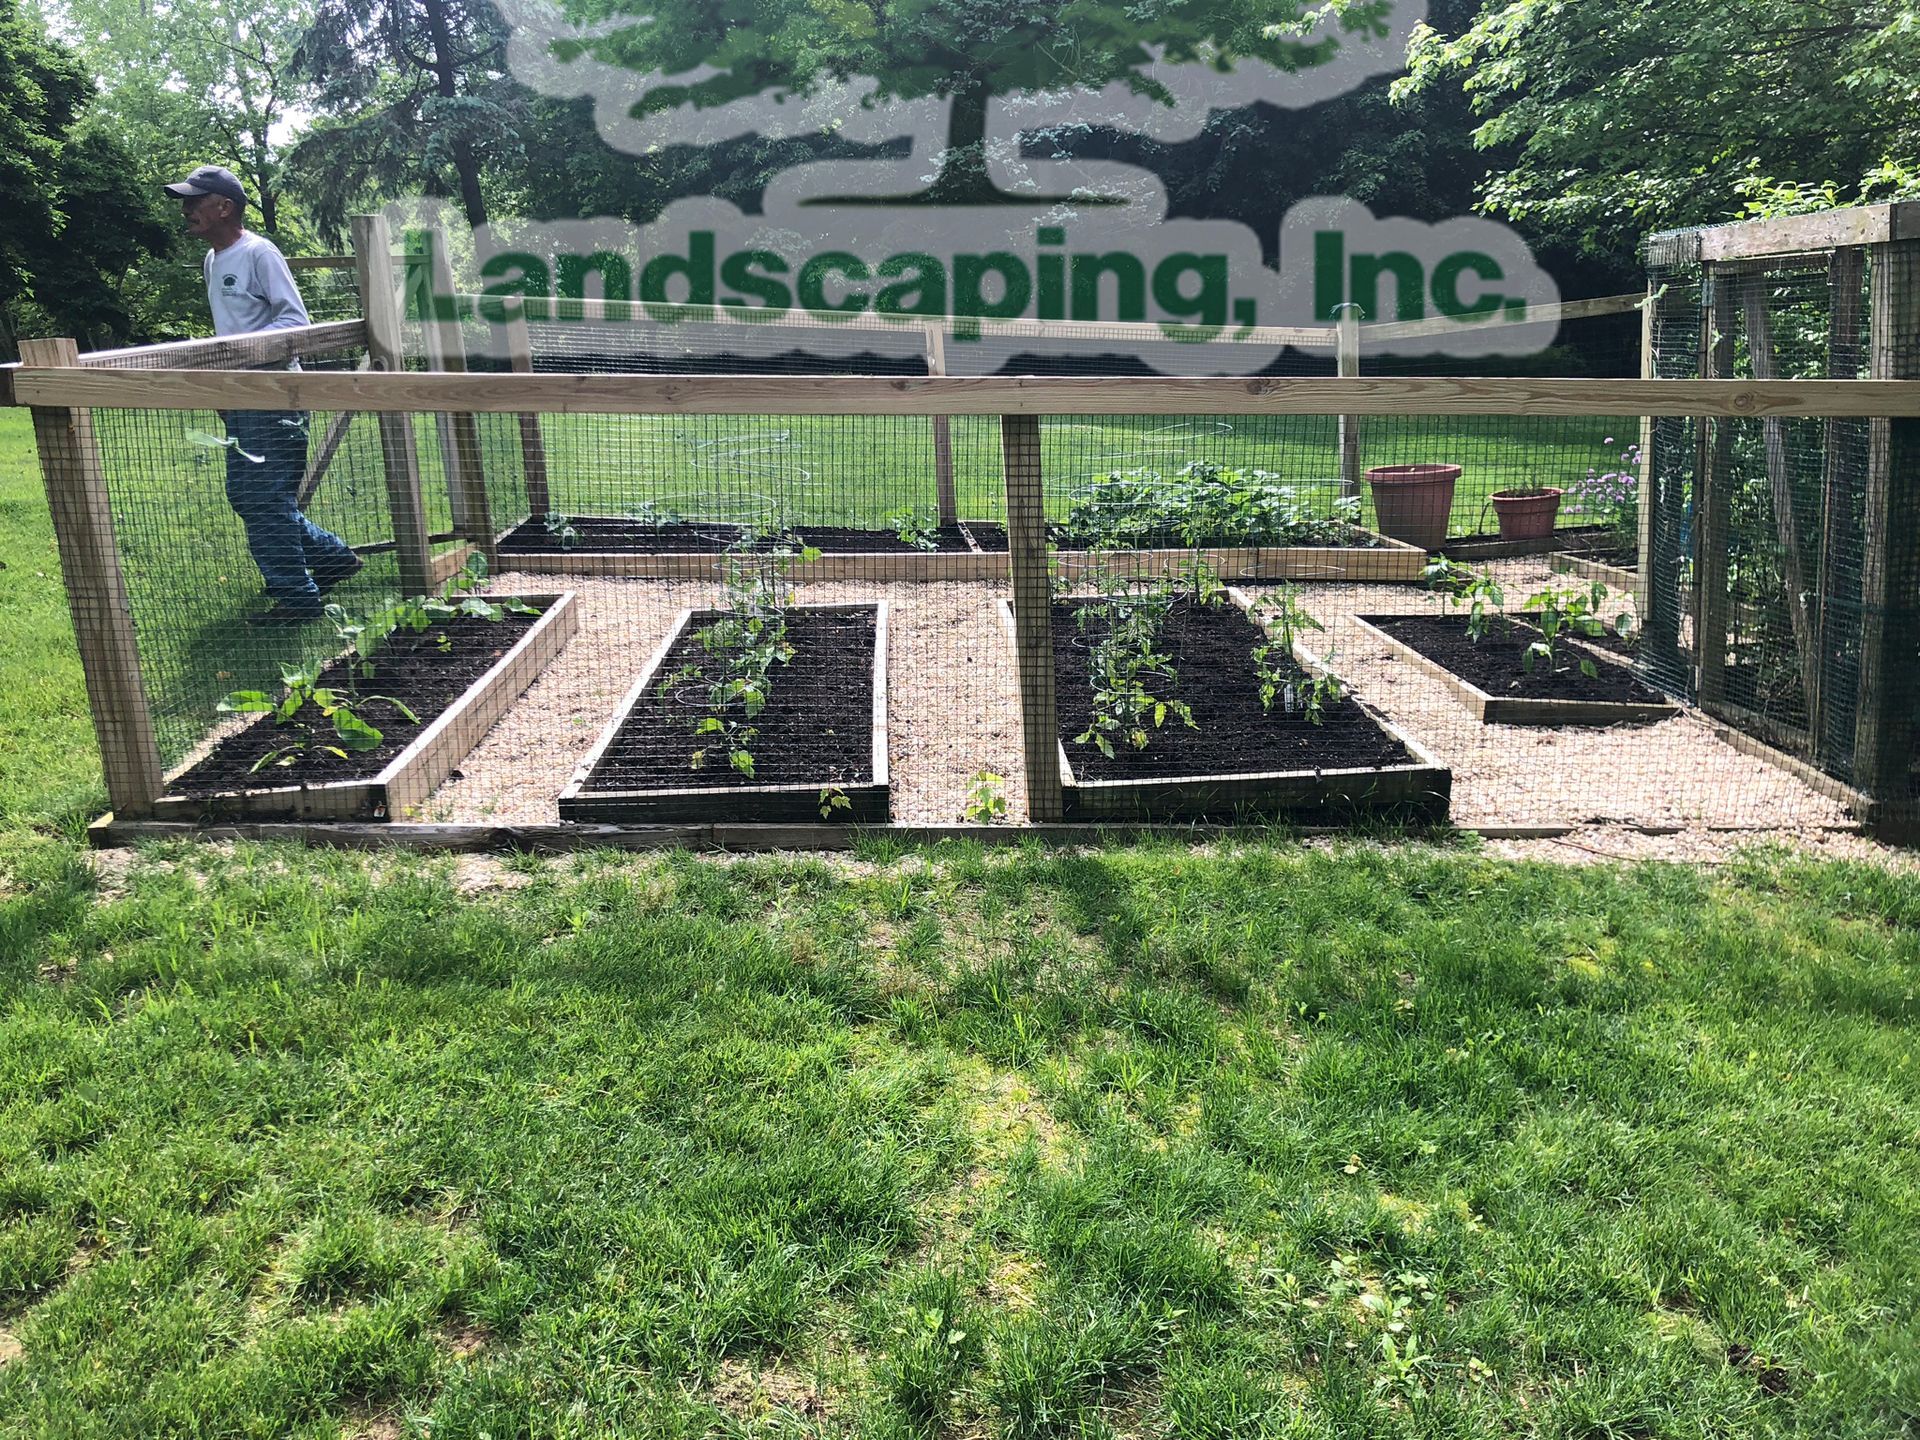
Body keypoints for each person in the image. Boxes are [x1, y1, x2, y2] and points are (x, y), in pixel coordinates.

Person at [164, 165, 361, 624]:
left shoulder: (259, 253)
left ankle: (297, 598)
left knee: (259, 496)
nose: (187, 209)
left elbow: (295, 323)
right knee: (254, 497)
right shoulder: (212, 260)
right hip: (240, 396)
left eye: (195, 200)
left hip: (276, 394)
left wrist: (234, 357)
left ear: (224, 207)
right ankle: (331, 560)